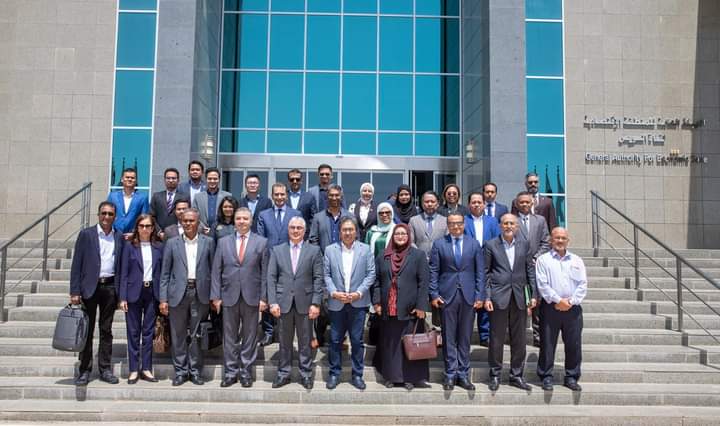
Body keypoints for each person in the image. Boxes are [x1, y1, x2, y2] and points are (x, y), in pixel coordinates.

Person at [210, 207, 269, 388]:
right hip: (228, 295)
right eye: (238, 218)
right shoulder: (223, 242)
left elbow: (265, 273)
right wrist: (216, 296)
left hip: (252, 296)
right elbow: (216, 270)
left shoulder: (262, 242)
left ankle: (245, 373)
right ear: (234, 221)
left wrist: (264, 298)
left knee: (250, 336)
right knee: (229, 337)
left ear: (251, 221)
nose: (242, 221)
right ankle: (230, 373)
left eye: (245, 218)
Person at [70, 201, 124, 386]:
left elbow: (121, 266)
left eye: (110, 214)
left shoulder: (119, 237)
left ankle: (105, 369)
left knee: (106, 330)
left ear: (115, 217)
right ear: (98, 214)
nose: (106, 217)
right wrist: (75, 291)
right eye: (104, 213)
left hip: (110, 288)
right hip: (89, 288)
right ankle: (84, 370)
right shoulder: (86, 235)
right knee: (87, 330)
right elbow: (77, 263)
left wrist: (120, 294)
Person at [159, 209, 215, 386]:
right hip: (177, 294)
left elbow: (214, 271)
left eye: (192, 221)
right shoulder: (172, 243)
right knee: (178, 335)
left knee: (197, 334)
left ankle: (195, 371)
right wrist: (163, 299)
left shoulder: (208, 242)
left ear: (198, 222)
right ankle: (181, 372)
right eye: (185, 221)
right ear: (181, 222)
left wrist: (215, 296)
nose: (188, 223)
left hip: (200, 293)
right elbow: (165, 273)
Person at [429, 212, 484, 391]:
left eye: (459, 223)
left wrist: (479, 296)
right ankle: (450, 374)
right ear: (448, 225)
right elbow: (433, 271)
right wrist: (434, 294)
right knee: (449, 337)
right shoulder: (439, 244)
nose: (456, 226)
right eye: (452, 223)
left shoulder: (474, 244)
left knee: (465, 337)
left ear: (464, 224)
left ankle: (463, 374)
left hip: (469, 296)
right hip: (447, 296)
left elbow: (480, 272)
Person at [267, 216, 324, 390]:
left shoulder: (314, 251)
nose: (296, 230)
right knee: (284, 342)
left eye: (299, 228)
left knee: (305, 341)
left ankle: (306, 374)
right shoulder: (277, 250)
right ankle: (283, 373)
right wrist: (272, 302)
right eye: (292, 227)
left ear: (305, 230)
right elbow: (271, 277)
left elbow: (318, 278)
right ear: (288, 229)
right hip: (283, 302)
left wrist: (316, 303)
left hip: (305, 303)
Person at [372, 224, 430, 390]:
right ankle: (391, 377)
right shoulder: (383, 256)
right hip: (388, 307)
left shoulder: (418, 255)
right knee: (390, 343)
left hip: (410, 308)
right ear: (393, 236)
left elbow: (423, 282)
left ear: (408, 236)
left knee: (409, 342)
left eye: (404, 233)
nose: (400, 236)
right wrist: (377, 302)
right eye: (397, 233)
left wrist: (421, 306)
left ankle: (410, 377)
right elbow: (376, 281)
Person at [483, 214, 537, 391]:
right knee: (496, 339)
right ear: (500, 226)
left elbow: (530, 271)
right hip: (498, 297)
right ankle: (495, 375)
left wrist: (532, 296)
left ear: (517, 227)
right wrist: (487, 297)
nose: (508, 226)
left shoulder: (525, 244)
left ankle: (516, 375)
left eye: (512, 223)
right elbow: (485, 273)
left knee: (519, 339)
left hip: (520, 297)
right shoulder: (491, 245)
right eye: (505, 223)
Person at [323, 217, 376, 391]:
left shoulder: (365, 250)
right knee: (335, 340)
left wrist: (358, 293)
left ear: (356, 231)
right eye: (344, 230)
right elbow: (326, 275)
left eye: (350, 229)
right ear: (339, 232)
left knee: (357, 340)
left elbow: (371, 274)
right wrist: (333, 292)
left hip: (357, 302)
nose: (347, 233)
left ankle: (357, 374)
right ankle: (334, 373)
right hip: (336, 302)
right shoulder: (330, 250)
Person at [535, 227, 587, 392]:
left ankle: (571, 377)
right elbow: (542, 284)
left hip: (573, 308)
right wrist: (558, 300)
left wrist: (570, 301)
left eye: (563, 238)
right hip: (550, 307)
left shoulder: (577, 260)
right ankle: (546, 376)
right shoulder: (543, 260)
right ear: (551, 240)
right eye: (557, 238)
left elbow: (582, 284)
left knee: (574, 344)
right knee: (547, 343)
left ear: (568, 241)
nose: (560, 241)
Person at [118, 214, 163, 384]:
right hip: (133, 293)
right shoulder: (129, 246)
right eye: (142, 226)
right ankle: (133, 369)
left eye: (148, 226)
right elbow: (123, 272)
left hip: (151, 292)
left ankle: (146, 368)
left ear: (153, 228)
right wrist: (122, 297)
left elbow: (162, 273)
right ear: (137, 227)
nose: (145, 229)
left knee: (149, 332)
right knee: (133, 332)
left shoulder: (159, 247)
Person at [256, 182, 301, 346]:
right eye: (276, 194)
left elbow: (299, 236)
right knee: (269, 293)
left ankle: (283, 331)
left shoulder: (296, 214)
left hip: (290, 261)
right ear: (272, 196)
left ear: (286, 196)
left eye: (282, 194)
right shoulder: (264, 215)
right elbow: (261, 239)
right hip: (269, 259)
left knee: (286, 294)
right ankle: (268, 332)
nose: (280, 197)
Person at [308, 184, 352, 347]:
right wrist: (320, 258)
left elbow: (355, 238)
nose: (334, 198)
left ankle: (341, 337)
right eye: (331, 195)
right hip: (322, 263)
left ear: (341, 197)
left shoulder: (349, 216)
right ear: (327, 197)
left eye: (337, 195)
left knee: (343, 301)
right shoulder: (318, 217)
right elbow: (313, 239)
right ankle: (319, 336)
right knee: (322, 299)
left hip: (344, 264)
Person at [463, 192, 500, 346]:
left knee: (485, 297)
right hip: (468, 264)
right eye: (473, 202)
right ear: (469, 205)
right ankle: (465, 334)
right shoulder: (464, 221)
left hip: (488, 263)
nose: (477, 204)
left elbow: (497, 240)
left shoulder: (492, 221)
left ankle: (485, 335)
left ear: (484, 204)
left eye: (479, 202)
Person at [514, 191, 550, 347]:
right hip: (517, 268)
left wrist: (536, 257)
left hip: (535, 267)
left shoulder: (540, 220)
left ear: (532, 203)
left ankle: (537, 336)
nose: (524, 204)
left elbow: (546, 241)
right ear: (517, 204)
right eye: (521, 202)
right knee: (518, 303)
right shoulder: (512, 220)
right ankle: (517, 336)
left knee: (536, 302)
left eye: (527, 202)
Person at [107, 168, 149, 235]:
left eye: (132, 178)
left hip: (133, 236)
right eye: (127, 177)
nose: (129, 179)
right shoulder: (112, 196)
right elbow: (108, 215)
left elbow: (144, 219)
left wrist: (135, 233)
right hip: (114, 234)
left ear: (136, 181)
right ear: (122, 179)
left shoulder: (143, 198)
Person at [409, 191, 448, 257]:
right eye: (426, 202)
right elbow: (410, 241)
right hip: (419, 259)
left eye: (432, 202)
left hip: (440, 259)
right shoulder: (413, 220)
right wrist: (420, 255)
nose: (429, 204)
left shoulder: (445, 221)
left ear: (438, 204)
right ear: (422, 204)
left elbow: (448, 242)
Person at [149, 167, 182, 232]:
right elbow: (151, 216)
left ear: (178, 180)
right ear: (164, 180)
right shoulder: (156, 196)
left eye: (173, 178)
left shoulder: (184, 197)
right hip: (159, 234)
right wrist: (159, 231)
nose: (171, 180)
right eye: (168, 178)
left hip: (177, 233)